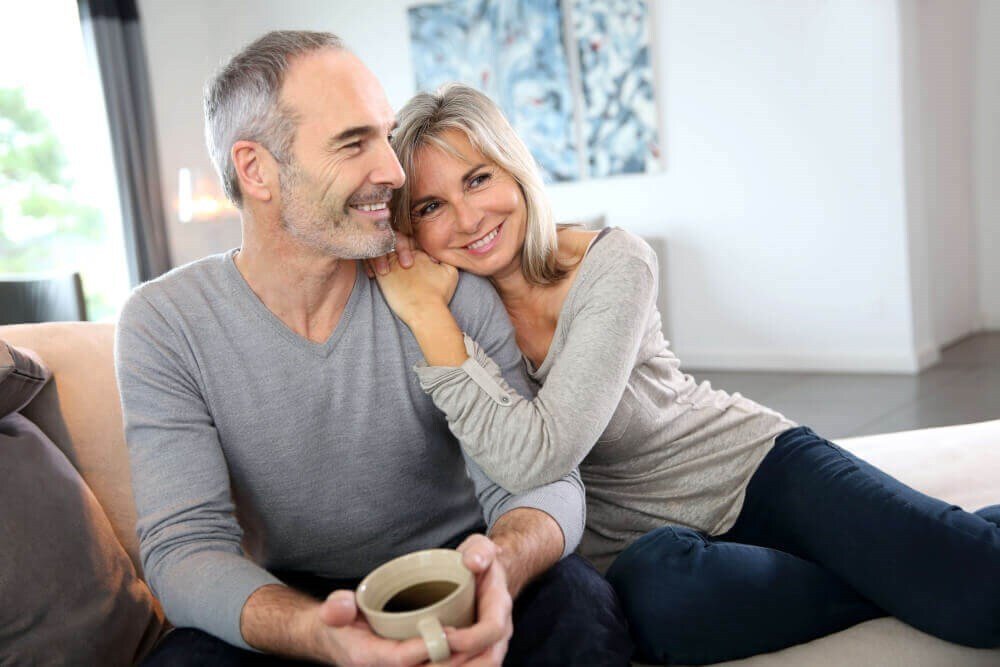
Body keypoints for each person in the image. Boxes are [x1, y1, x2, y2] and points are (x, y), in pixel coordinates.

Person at [371, 83, 1000, 665]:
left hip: (752, 468)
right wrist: (430, 312)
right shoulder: (452, 318)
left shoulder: (614, 262)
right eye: (431, 205)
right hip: (643, 548)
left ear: (515, 170)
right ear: (410, 227)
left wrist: (428, 315)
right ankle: (896, 569)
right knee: (663, 611)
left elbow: (540, 454)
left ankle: (912, 566)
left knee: (977, 595)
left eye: (478, 179)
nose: (468, 216)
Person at [115, 33, 633, 666]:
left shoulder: (444, 285)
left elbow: (540, 483)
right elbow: (185, 546)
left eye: (385, 136)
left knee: (580, 605)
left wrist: (500, 568)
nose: (393, 170)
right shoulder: (163, 323)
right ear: (256, 170)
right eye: (353, 142)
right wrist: (319, 634)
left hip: (462, 565)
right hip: (301, 599)